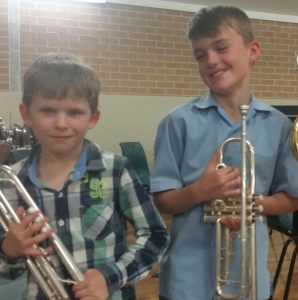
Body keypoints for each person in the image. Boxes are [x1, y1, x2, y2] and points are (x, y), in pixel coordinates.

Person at [150, 5, 298, 300]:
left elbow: (292, 198)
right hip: (186, 280)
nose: (211, 60)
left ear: (252, 51)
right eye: (200, 54)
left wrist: (250, 205)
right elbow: (162, 199)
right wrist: (200, 191)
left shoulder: (280, 126)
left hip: (250, 277)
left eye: (221, 48)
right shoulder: (176, 122)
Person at [0, 53, 169, 300]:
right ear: (26, 114)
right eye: (47, 110)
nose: (60, 123)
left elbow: (156, 236)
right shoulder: (11, 184)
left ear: (93, 118)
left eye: (74, 112)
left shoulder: (116, 170)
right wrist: (9, 251)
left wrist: (109, 276)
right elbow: (9, 271)